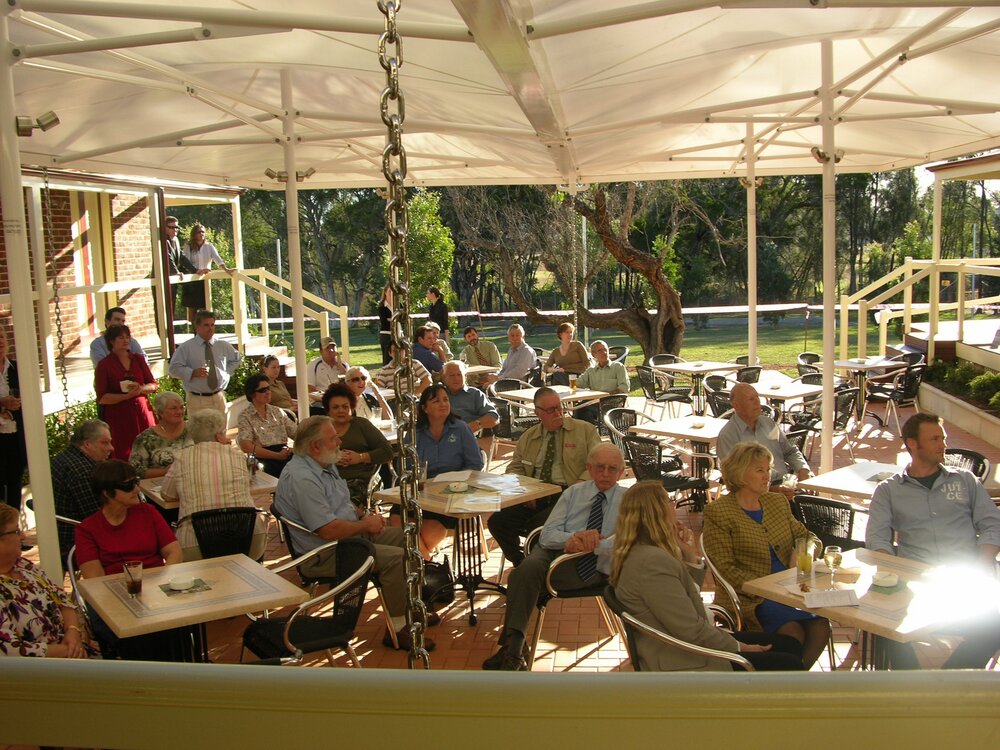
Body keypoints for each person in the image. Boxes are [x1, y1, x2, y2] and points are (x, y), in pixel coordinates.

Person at [273, 416, 439, 651]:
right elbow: (328, 530)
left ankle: (411, 606)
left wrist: (363, 516)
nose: (339, 442)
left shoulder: (322, 463)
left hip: (348, 537)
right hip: (326, 553)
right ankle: (399, 629)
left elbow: (342, 503)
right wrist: (365, 526)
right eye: (333, 439)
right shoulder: (303, 479)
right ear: (315, 446)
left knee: (407, 539)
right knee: (395, 558)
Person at [611, 481, 805, 671]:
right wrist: (741, 648)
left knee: (790, 646)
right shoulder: (652, 564)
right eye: (668, 500)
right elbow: (690, 629)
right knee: (791, 663)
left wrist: (688, 555)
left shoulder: (643, 552)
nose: (673, 505)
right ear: (657, 512)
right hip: (684, 657)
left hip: (686, 642)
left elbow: (685, 603)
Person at [866, 412, 1000, 669]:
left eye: (943, 438)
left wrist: (983, 563)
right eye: (935, 439)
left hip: (967, 577)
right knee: (885, 627)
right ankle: (914, 689)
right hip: (915, 583)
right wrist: (894, 577)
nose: (943, 445)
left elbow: (992, 522)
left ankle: (948, 682)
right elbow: (877, 538)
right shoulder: (889, 491)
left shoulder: (965, 481)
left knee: (995, 624)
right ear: (912, 444)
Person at [483, 443, 626, 671]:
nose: (605, 474)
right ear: (589, 468)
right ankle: (514, 652)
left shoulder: (629, 500)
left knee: (523, 577)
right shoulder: (573, 493)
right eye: (599, 467)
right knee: (528, 569)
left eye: (612, 469)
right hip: (553, 550)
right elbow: (548, 535)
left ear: (622, 471)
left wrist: (594, 545)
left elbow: (628, 541)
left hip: (588, 563)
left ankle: (513, 650)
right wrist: (572, 538)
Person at [702, 442, 831, 668]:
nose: (767, 475)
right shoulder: (719, 512)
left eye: (768, 469)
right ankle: (787, 682)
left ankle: (792, 683)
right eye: (759, 470)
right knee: (792, 633)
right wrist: (767, 587)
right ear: (741, 474)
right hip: (751, 595)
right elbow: (724, 567)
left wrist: (803, 555)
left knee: (821, 627)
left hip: (792, 589)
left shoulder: (777, 502)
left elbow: (810, 539)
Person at [76, 460, 184, 661]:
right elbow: (95, 579)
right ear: (107, 493)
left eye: (135, 482)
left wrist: (163, 583)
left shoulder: (148, 512)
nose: (136, 489)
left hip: (156, 593)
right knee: (141, 637)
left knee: (179, 625)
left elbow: (174, 552)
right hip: (114, 602)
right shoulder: (87, 530)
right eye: (128, 486)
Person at [487, 386, 602, 567]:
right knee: (497, 522)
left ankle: (541, 569)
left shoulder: (585, 431)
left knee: (539, 527)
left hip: (569, 495)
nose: (557, 413)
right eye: (550, 410)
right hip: (535, 494)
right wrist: (525, 490)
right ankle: (522, 564)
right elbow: (514, 467)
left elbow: (599, 464)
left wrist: (579, 484)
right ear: (537, 413)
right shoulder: (529, 437)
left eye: (559, 407)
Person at [162, 409, 265, 561]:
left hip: (195, 543)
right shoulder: (237, 456)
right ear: (218, 435)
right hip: (248, 537)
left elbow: (167, 494)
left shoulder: (182, 458)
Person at [0, 504, 88, 658]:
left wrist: (73, 630)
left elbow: (62, 599)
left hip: (73, 651)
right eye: (16, 531)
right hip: (40, 672)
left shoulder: (23, 565)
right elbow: (9, 651)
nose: (23, 536)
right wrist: (70, 651)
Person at [407, 384, 484, 558]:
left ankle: (423, 567)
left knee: (419, 534)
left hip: (451, 495)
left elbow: (475, 464)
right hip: (421, 493)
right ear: (425, 408)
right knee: (397, 518)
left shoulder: (461, 428)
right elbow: (404, 466)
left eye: (445, 400)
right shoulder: (415, 433)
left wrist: (455, 482)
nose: (443, 404)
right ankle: (427, 563)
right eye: (436, 401)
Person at [716, 382, 812, 498]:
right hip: (755, 497)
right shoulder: (728, 435)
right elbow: (733, 480)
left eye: (757, 398)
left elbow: (790, 451)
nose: (757, 403)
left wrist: (803, 470)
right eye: (751, 399)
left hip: (785, 486)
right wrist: (771, 490)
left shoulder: (769, 423)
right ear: (736, 405)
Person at [322, 383, 392, 509]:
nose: (341, 410)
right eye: (335, 407)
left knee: (338, 502)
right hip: (327, 479)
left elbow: (387, 451)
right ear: (328, 410)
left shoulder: (362, 425)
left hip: (360, 481)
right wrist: (331, 459)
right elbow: (307, 454)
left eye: (345, 406)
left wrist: (361, 457)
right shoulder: (321, 428)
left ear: (352, 408)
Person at [94, 323, 157, 461]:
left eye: (127, 337)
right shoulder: (104, 365)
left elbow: (153, 385)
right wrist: (125, 396)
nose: (125, 340)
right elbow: (102, 397)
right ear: (111, 341)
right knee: (124, 452)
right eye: (121, 338)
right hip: (119, 415)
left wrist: (141, 389)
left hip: (141, 411)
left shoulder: (138, 359)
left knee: (150, 448)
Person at [52, 420, 114, 559]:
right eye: (105, 443)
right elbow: (97, 518)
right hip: (74, 540)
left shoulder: (65, 457)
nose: (111, 448)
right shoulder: (83, 471)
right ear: (87, 444)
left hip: (56, 533)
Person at [169, 309, 242, 414]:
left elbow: (237, 359)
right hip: (198, 399)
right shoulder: (186, 347)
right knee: (200, 430)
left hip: (219, 397)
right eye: (206, 325)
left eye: (212, 325)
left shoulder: (222, 345)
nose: (210, 328)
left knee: (221, 430)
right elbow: (173, 369)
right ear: (197, 327)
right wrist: (192, 373)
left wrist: (226, 373)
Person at [237, 373, 296, 477]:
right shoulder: (245, 416)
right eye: (263, 390)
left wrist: (294, 449)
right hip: (262, 459)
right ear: (252, 394)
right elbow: (246, 446)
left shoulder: (277, 412)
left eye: (268, 388)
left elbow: (298, 434)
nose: (268, 392)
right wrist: (276, 456)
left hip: (284, 455)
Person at [129, 391, 192, 479]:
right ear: (160, 412)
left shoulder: (194, 430)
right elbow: (135, 470)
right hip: (158, 486)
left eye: (182, 407)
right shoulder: (146, 438)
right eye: (174, 408)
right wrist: (165, 471)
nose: (180, 411)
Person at [179, 223, 234, 324]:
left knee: (205, 307)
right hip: (192, 280)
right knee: (193, 308)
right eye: (199, 232)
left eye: (203, 232)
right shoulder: (188, 246)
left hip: (204, 280)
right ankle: (195, 333)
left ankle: (205, 331)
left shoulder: (209, 246)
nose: (201, 234)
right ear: (194, 234)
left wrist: (226, 269)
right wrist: (196, 270)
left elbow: (217, 259)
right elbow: (185, 260)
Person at [442, 360, 499, 454]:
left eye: (459, 374)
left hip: (462, 439)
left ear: (465, 376)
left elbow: (493, 417)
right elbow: (418, 408)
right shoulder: (438, 393)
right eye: (452, 375)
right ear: (444, 378)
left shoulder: (475, 394)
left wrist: (475, 425)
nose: (456, 378)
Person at [0, 328, 26, 514]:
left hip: (15, 437)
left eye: (1, 336)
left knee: (15, 483)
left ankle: (14, 534)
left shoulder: (17, 368)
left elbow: (30, 396)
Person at [575, 339, 630, 426]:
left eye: (605, 349)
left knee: (582, 410)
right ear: (594, 354)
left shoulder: (618, 367)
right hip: (595, 403)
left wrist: (606, 396)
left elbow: (624, 388)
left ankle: (590, 433)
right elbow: (578, 383)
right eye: (600, 350)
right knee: (579, 409)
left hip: (612, 403)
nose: (604, 352)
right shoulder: (591, 371)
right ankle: (588, 433)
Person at [163, 215, 197, 318]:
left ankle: (170, 331)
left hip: (173, 282)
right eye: (172, 227)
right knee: (164, 308)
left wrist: (195, 270)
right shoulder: (163, 242)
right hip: (164, 280)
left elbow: (182, 257)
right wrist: (176, 272)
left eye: (177, 227)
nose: (175, 230)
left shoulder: (176, 240)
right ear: (165, 228)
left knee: (172, 307)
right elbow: (168, 258)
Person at [307, 337, 349, 412]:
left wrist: (340, 366)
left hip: (341, 400)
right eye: (327, 348)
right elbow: (310, 389)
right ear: (321, 352)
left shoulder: (344, 365)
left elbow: (350, 383)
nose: (331, 350)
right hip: (320, 401)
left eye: (333, 347)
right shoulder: (313, 365)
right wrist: (327, 398)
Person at [544, 321, 591, 386]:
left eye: (571, 332)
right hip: (562, 375)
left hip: (578, 375)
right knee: (556, 376)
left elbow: (587, 363)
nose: (570, 334)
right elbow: (546, 367)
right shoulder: (556, 351)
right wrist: (556, 370)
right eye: (567, 332)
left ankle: (571, 387)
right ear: (560, 334)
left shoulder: (577, 345)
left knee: (557, 377)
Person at [378, 286, 393, 365]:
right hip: (386, 335)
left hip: (398, 333)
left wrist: (390, 319)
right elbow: (384, 322)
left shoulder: (399, 305)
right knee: (387, 359)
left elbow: (403, 320)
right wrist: (394, 320)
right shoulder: (382, 306)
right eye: (389, 291)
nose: (391, 293)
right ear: (385, 293)